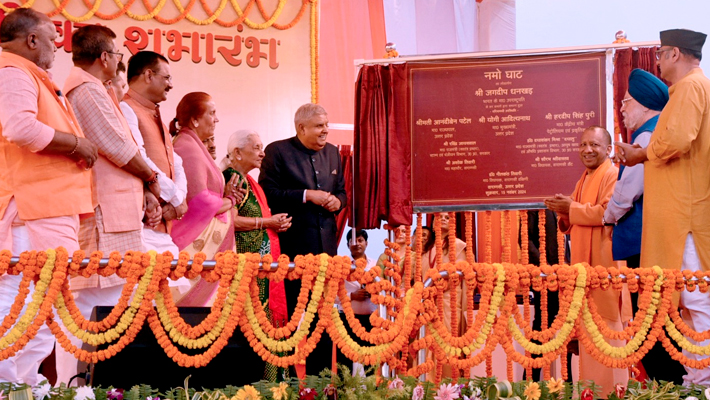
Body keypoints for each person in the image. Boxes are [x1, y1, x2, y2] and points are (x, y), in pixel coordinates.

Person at [59, 24, 163, 385]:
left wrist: (147, 187)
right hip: (102, 212)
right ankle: (76, 387)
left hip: (115, 210)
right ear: (104, 58)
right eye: (118, 55)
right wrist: (152, 179)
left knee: (112, 303)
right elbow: (117, 147)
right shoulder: (86, 90)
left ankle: (98, 386)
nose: (119, 61)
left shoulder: (95, 88)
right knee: (89, 306)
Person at [0, 8, 97, 385]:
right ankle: (8, 388)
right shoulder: (13, 72)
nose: (58, 46)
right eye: (52, 38)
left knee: (43, 311)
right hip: (30, 213)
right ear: (31, 40)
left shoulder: (28, 75)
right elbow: (21, 128)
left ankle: (21, 387)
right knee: (16, 307)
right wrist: (76, 144)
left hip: (48, 213)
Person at [615, 29, 710, 386]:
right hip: (682, 213)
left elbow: (678, 139)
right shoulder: (689, 89)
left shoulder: (689, 87)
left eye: (660, 55)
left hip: (685, 216)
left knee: (696, 300)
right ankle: (699, 377)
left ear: (674, 54)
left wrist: (641, 154)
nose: (656, 62)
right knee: (689, 300)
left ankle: (704, 382)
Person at [259, 103, 346, 375]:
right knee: (291, 320)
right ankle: (286, 383)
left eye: (327, 124)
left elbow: (342, 191)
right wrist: (307, 195)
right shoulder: (278, 151)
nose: (325, 131)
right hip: (291, 252)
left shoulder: (333, 153)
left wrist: (337, 202)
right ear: (301, 128)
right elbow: (268, 194)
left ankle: (319, 382)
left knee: (324, 320)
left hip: (326, 253)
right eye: (320, 126)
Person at [544, 126, 627, 396]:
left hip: (604, 269)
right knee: (590, 339)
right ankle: (592, 393)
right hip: (583, 271)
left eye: (594, 144)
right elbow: (576, 218)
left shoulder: (611, 174)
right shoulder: (585, 177)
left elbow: (607, 213)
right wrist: (565, 213)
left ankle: (611, 393)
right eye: (583, 145)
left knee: (606, 337)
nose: (587, 150)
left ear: (608, 149)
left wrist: (572, 209)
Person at [221, 129, 291, 380]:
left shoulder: (250, 181)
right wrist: (266, 222)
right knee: (253, 327)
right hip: (245, 270)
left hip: (260, 269)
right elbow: (230, 220)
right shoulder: (232, 179)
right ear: (237, 152)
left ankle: (272, 385)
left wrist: (274, 223)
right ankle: (255, 384)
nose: (262, 152)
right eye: (256, 147)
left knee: (266, 324)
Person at [167, 93, 244, 305]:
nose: (216, 119)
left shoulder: (193, 144)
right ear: (195, 120)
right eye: (212, 113)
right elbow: (199, 200)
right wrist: (229, 202)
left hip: (207, 240)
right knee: (195, 313)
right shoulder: (187, 146)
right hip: (195, 241)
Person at [122, 51, 188, 254]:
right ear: (148, 75)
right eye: (167, 78)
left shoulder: (154, 112)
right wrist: (176, 198)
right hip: (143, 223)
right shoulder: (126, 109)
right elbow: (138, 158)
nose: (171, 85)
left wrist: (180, 199)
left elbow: (176, 162)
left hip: (163, 225)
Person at [338, 229, 377, 376]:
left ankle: (373, 393)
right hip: (347, 318)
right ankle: (343, 394)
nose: (357, 244)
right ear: (348, 245)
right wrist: (352, 296)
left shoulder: (375, 265)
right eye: (353, 241)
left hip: (370, 319)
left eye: (360, 240)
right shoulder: (341, 266)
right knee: (344, 361)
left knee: (371, 361)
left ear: (366, 243)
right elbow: (333, 295)